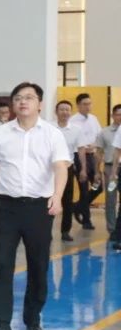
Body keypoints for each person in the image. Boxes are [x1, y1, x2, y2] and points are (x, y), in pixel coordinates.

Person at [0, 81, 69, 330]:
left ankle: (32, 319)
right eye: (18, 97)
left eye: (29, 97)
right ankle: (2, 322)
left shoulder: (52, 134)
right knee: (3, 263)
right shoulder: (1, 134)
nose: (22, 102)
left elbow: (61, 167)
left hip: (38, 208)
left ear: (39, 104)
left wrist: (57, 196)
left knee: (38, 265)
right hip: (5, 207)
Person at [69, 93, 103, 229]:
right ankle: (86, 221)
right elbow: (72, 142)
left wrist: (94, 145)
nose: (88, 106)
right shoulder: (72, 121)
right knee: (83, 190)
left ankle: (78, 207)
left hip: (93, 157)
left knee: (98, 187)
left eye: (89, 103)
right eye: (85, 104)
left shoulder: (93, 119)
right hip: (79, 157)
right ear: (78, 105)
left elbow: (99, 136)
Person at [55, 100, 87, 242]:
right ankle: (43, 230)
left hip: (67, 168)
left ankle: (65, 231)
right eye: (62, 109)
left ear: (71, 112)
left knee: (67, 201)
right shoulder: (49, 128)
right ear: (56, 112)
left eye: (67, 109)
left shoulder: (76, 130)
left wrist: (83, 169)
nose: (65, 112)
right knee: (45, 199)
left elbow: (81, 150)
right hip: (49, 170)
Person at [99, 104, 121, 237]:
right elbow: (99, 151)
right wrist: (97, 170)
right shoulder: (104, 132)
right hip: (110, 169)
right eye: (118, 114)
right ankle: (112, 229)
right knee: (111, 199)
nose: (120, 117)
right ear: (112, 115)